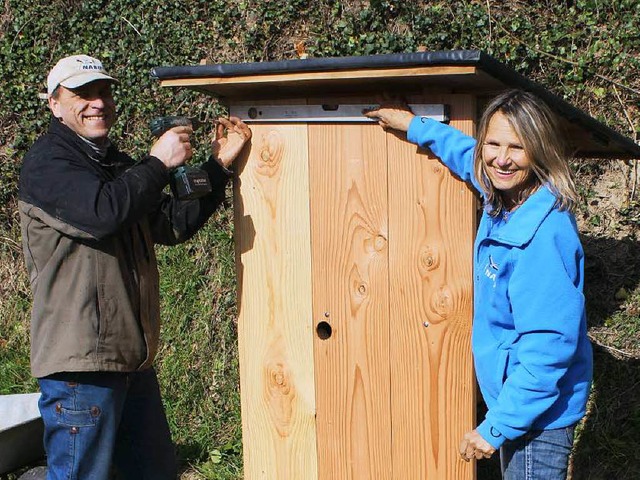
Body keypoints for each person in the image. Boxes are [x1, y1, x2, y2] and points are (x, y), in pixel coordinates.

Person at [18, 54, 251, 479]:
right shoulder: (47, 165)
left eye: (103, 92)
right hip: (79, 368)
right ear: (54, 104)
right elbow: (103, 214)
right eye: (82, 94)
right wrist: (159, 163)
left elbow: (171, 224)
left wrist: (217, 167)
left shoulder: (116, 166)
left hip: (131, 362)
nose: (97, 103)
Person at [364, 90, 593, 480]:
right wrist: (414, 126)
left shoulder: (541, 236)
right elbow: (469, 155)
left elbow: (548, 351)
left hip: (538, 413)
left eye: (518, 147)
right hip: (518, 401)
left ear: (539, 152)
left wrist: (495, 426)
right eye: (494, 143)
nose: (502, 158)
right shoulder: (505, 194)